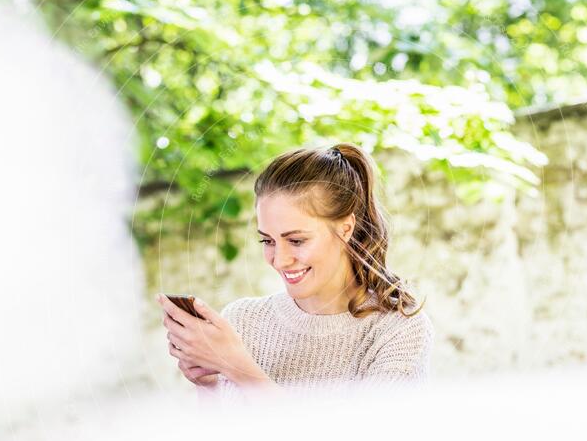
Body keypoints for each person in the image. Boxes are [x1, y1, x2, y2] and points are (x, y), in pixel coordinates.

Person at [157, 143, 434, 404]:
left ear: (345, 228)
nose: (279, 259)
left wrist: (239, 368)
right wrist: (208, 387)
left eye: (297, 241)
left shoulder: (397, 331)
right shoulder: (242, 320)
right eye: (267, 241)